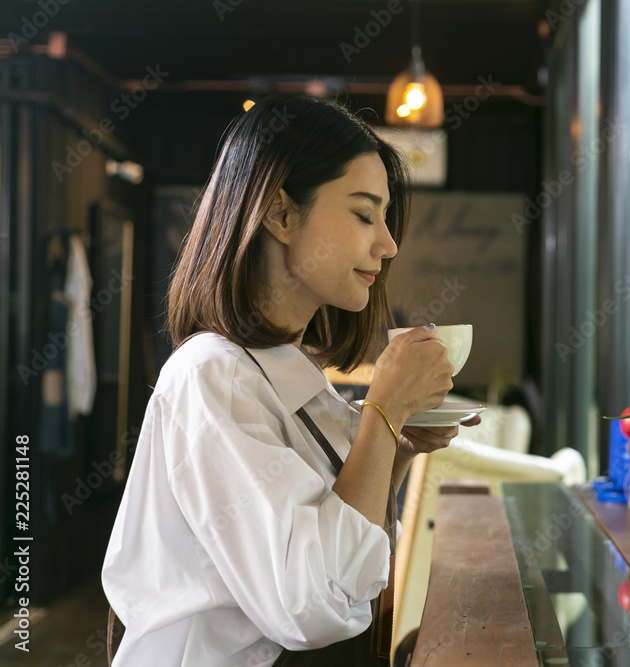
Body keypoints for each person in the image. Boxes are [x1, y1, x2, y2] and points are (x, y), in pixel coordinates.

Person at [102, 93, 474, 666]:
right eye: (363, 213)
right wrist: (381, 411)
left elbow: (351, 565)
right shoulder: (213, 377)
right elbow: (311, 602)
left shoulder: (290, 375)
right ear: (279, 214)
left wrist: (394, 445)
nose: (388, 244)